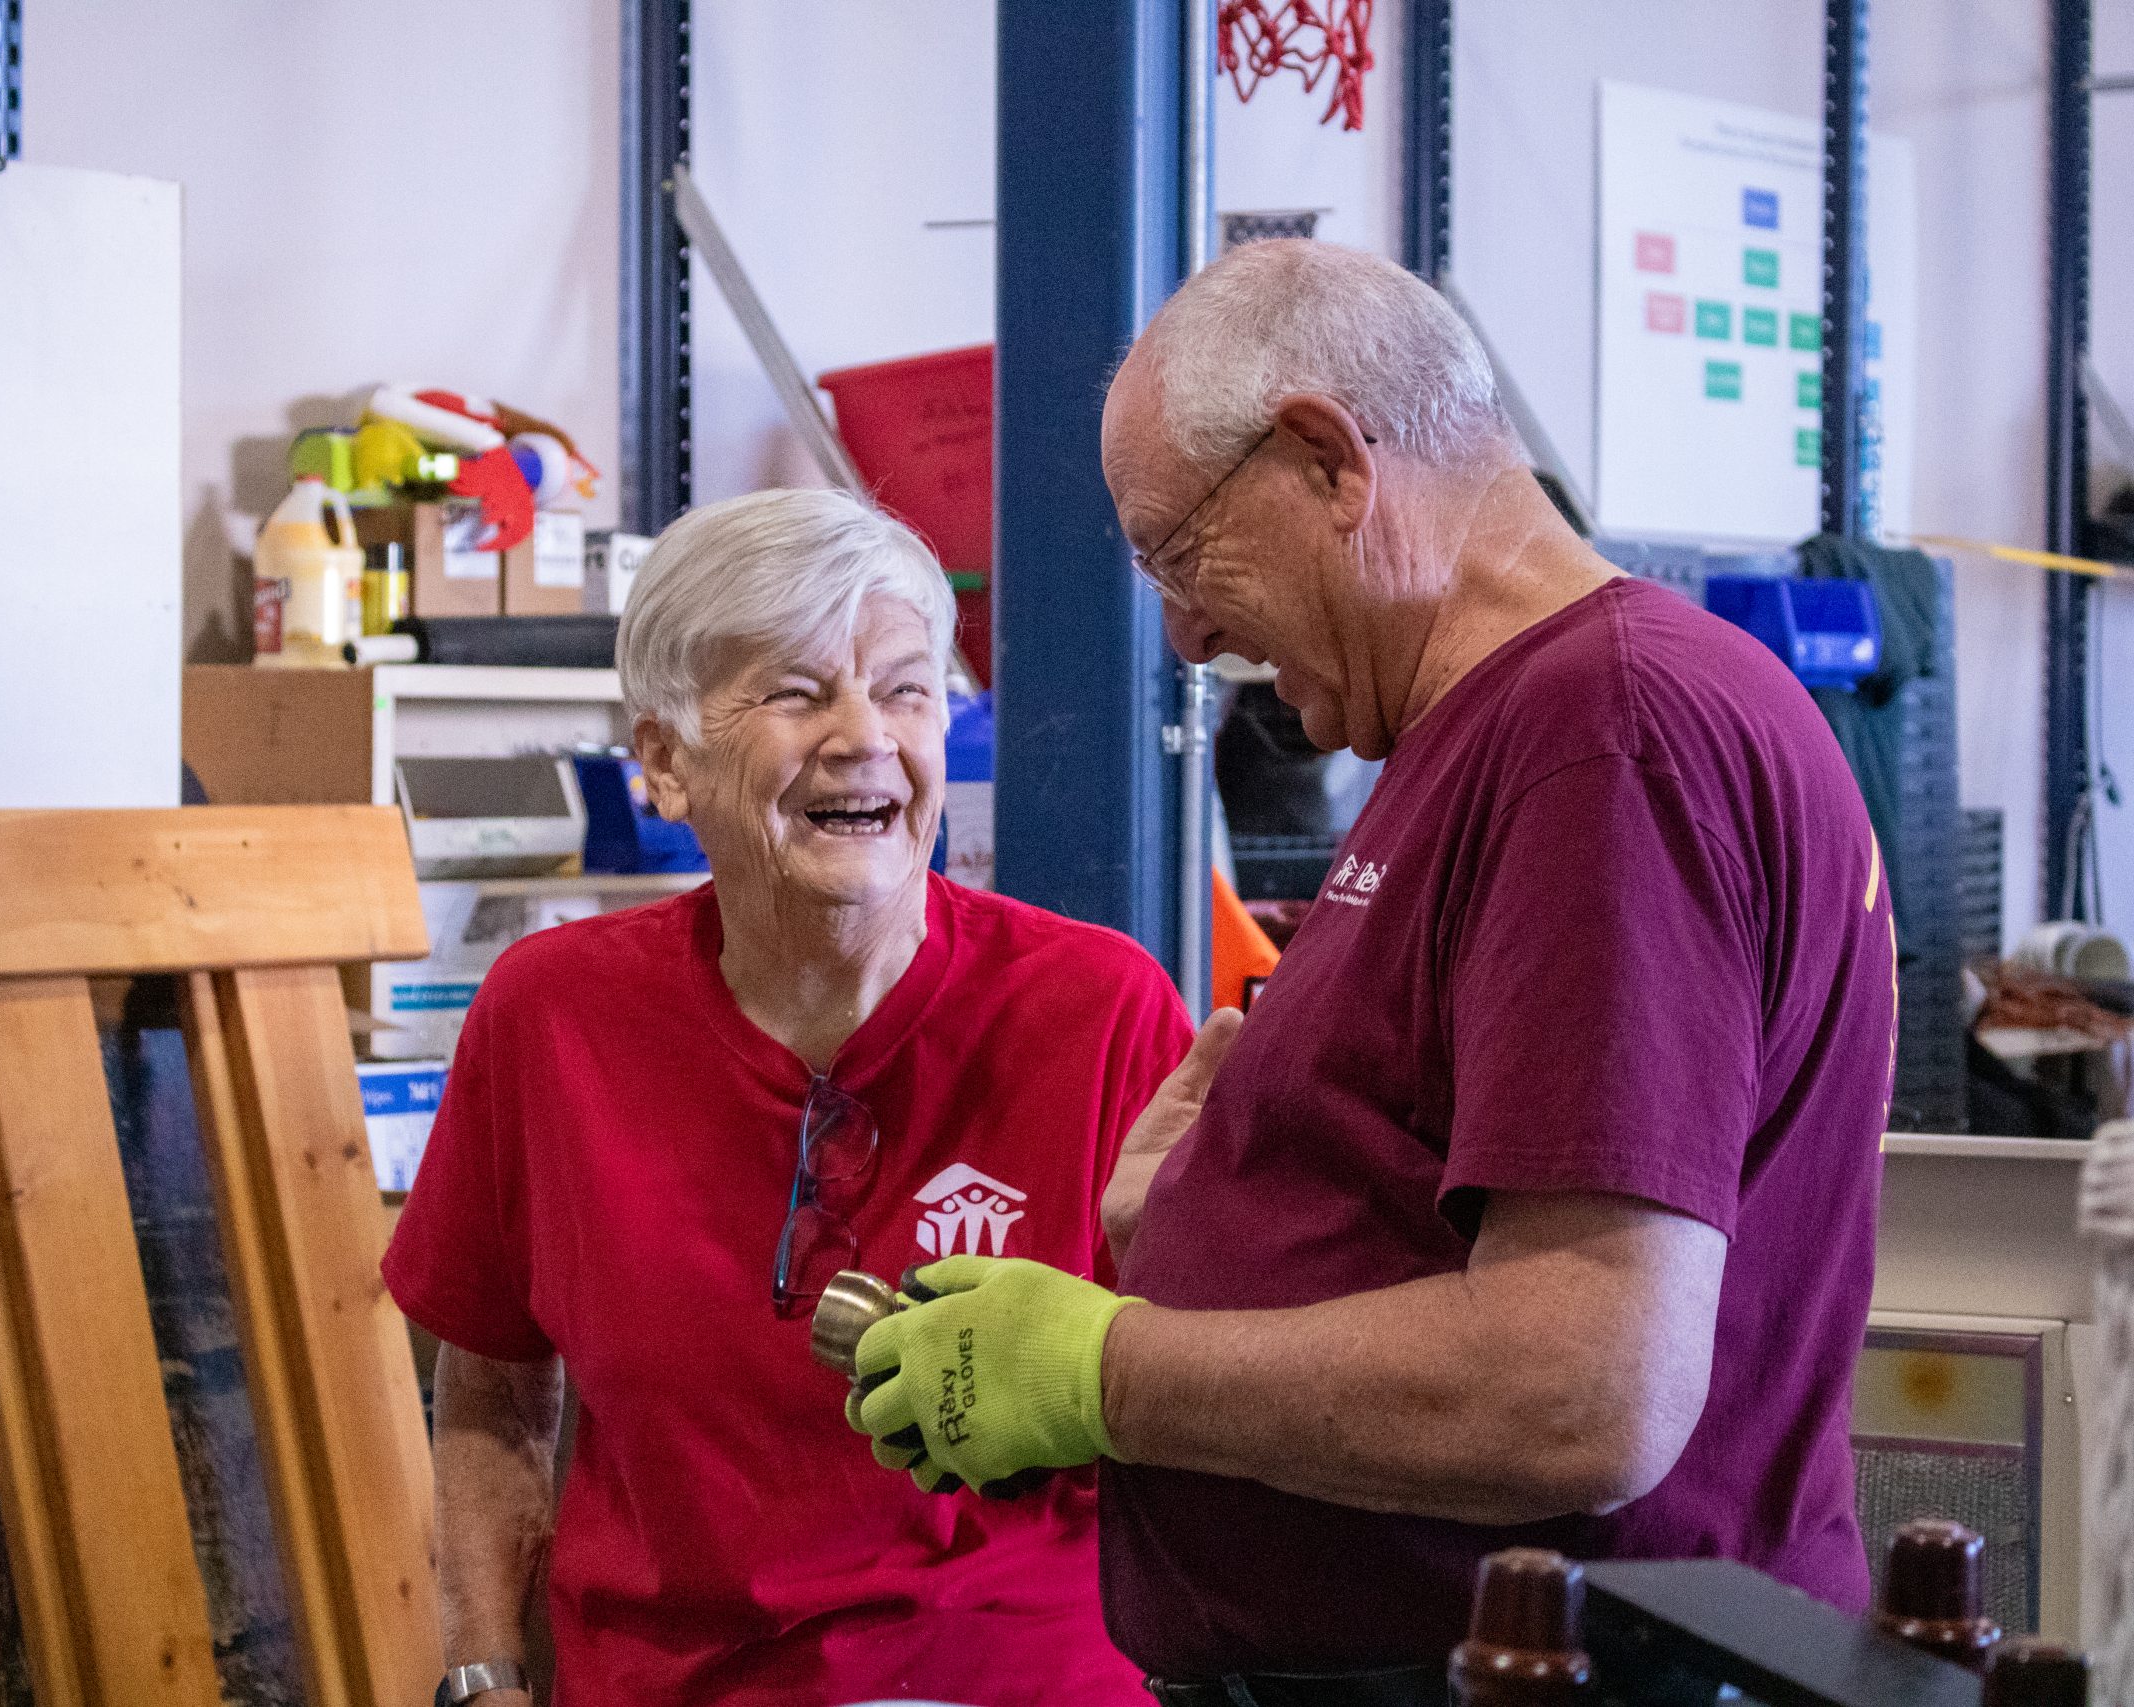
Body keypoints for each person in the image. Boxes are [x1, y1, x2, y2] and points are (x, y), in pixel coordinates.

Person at [846, 240, 1898, 1705]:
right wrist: (1196, 1229)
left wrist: (1106, 1369)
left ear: (1329, 459)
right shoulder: (1486, 735)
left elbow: (1573, 1387)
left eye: (1177, 552)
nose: (1185, 631)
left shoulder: (1603, 735)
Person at [384, 487, 1192, 1707]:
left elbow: (1212, 1415)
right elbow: (492, 1399)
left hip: (1015, 1678)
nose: (865, 736)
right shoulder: (550, 1016)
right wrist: (482, 1675)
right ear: (663, 758)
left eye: (907, 688)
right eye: (797, 691)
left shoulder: (1102, 1007)